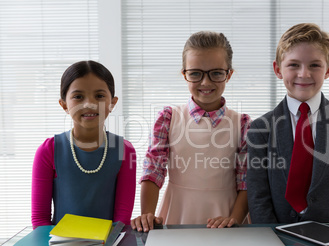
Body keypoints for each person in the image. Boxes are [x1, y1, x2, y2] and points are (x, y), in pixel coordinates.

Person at [246, 23, 329, 224]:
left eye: (314, 65)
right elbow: (258, 195)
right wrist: (271, 241)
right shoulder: (261, 128)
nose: (304, 74)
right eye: (294, 65)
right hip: (277, 240)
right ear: (278, 70)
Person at [131, 31, 251, 232]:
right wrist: (146, 216)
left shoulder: (242, 124)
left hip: (227, 217)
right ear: (184, 73)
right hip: (176, 214)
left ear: (228, 74)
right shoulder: (168, 118)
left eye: (216, 73)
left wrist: (234, 220)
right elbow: (153, 170)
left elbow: (246, 181)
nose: (205, 82)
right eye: (195, 73)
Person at [31, 60, 136, 228]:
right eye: (78, 97)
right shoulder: (48, 150)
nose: (89, 103)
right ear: (64, 104)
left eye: (99, 96)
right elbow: (40, 219)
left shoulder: (125, 151)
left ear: (113, 103)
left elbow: (121, 220)